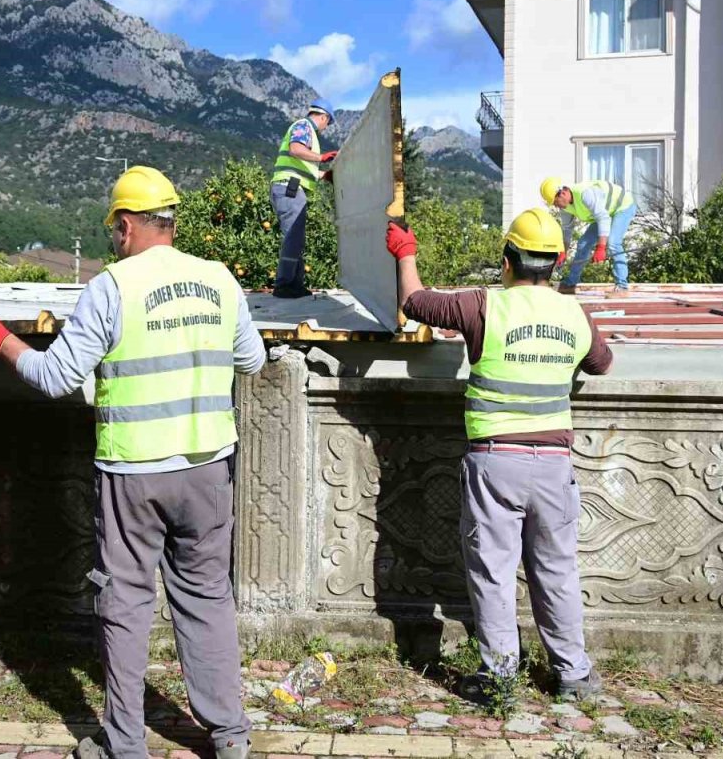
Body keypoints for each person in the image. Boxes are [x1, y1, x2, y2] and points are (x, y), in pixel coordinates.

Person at [0, 165, 265, 759]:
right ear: (169, 219)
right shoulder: (219, 279)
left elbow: (57, 374)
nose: (113, 240)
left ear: (124, 225)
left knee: (126, 604)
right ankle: (230, 735)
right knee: (207, 598)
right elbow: (252, 359)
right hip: (207, 471)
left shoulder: (111, 287)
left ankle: (125, 744)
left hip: (133, 475)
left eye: (113, 230)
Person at [384, 208, 613, 701]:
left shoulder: (483, 307)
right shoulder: (574, 312)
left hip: (495, 461)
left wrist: (406, 253)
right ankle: (573, 674)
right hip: (553, 464)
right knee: (557, 570)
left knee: (492, 570)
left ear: (507, 260)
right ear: (554, 263)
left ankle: (501, 675)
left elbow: (416, 302)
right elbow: (602, 363)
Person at [268, 97, 338, 299]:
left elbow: (304, 167)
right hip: (289, 188)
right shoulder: (304, 126)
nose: (326, 128)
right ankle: (285, 285)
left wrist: (325, 175)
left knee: (296, 238)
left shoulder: (307, 131)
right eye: (328, 122)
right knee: (293, 238)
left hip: (291, 188)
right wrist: (322, 157)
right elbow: (296, 149)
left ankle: (294, 285)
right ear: (324, 117)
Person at [540, 176, 637, 296]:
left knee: (613, 243)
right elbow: (566, 230)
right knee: (583, 244)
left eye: (555, 202)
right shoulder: (565, 208)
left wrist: (601, 248)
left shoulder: (585, 194)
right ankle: (571, 283)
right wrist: (563, 252)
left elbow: (603, 218)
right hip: (605, 213)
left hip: (622, 207)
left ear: (563, 193)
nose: (556, 206)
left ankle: (622, 287)